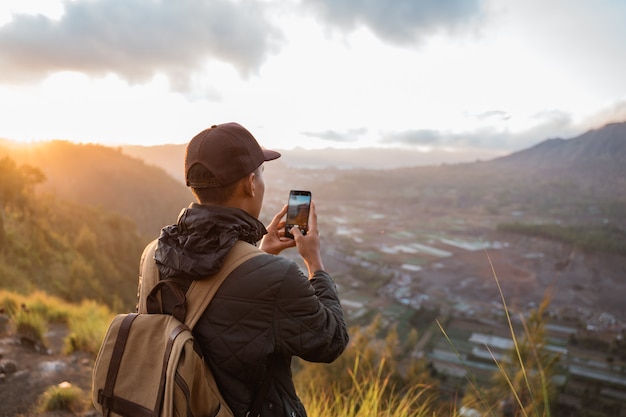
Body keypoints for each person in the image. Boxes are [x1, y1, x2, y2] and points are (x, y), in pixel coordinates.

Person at [141, 122, 349, 417]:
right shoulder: (277, 278)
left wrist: (258, 254)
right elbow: (332, 340)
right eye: (261, 175)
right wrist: (314, 263)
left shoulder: (154, 255)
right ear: (251, 183)